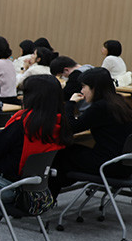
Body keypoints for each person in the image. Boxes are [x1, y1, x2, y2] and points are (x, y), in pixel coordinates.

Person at [0, 75, 72, 204]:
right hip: (37, 189)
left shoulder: (22, 125)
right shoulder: (60, 123)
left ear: (32, 96)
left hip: (6, 187)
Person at [50, 68, 132, 196]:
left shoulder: (100, 107)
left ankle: (49, 196)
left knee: (61, 152)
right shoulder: (120, 101)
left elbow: (72, 127)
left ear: (95, 88)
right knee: (71, 152)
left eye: (84, 87)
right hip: (124, 165)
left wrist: (70, 103)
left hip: (108, 165)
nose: (82, 91)